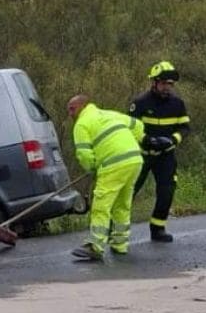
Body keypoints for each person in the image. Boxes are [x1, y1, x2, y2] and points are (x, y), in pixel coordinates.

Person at [67, 94, 145, 261]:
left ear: (82, 106)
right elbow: (138, 126)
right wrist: (136, 142)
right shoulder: (110, 114)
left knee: (101, 205)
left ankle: (96, 246)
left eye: (72, 109)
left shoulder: (81, 124)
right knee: (122, 204)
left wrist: (92, 168)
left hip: (113, 164)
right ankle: (120, 244)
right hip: (134, 160)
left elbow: (83, 154)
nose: (70, 114)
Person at [129, 61, 190, 243]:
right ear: (154, 82)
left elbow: (185, 128)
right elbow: (129, 127)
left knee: (167, 192)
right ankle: (112, 228)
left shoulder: (178, 104)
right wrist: (147, 140)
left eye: (170, 84)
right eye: (163, 83)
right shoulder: (140, 103)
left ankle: (158, 228)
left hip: (166, 156)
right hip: (142, 155)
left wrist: (172, 140)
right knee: (128, 192)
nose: (167, 88)